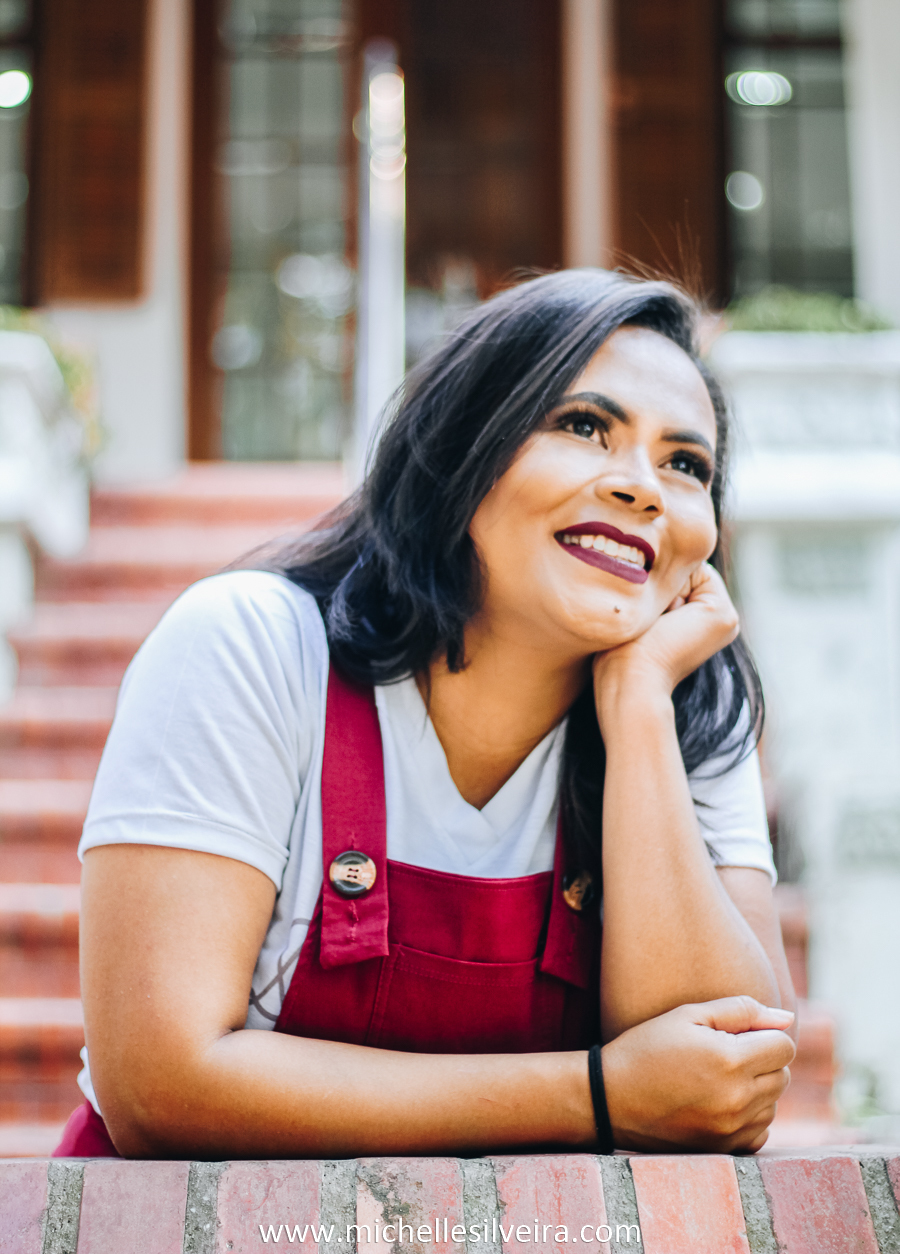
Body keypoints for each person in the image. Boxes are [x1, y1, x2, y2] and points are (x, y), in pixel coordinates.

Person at [56, 269, 796, 1161]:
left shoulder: (687, 705)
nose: (643, 487)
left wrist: (637, 709)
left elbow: (721, 1080)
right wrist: (595, 1094)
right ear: (462, 448)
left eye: (686, 465)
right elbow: (159, 1081)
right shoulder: (251, 646)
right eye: (583, 426)